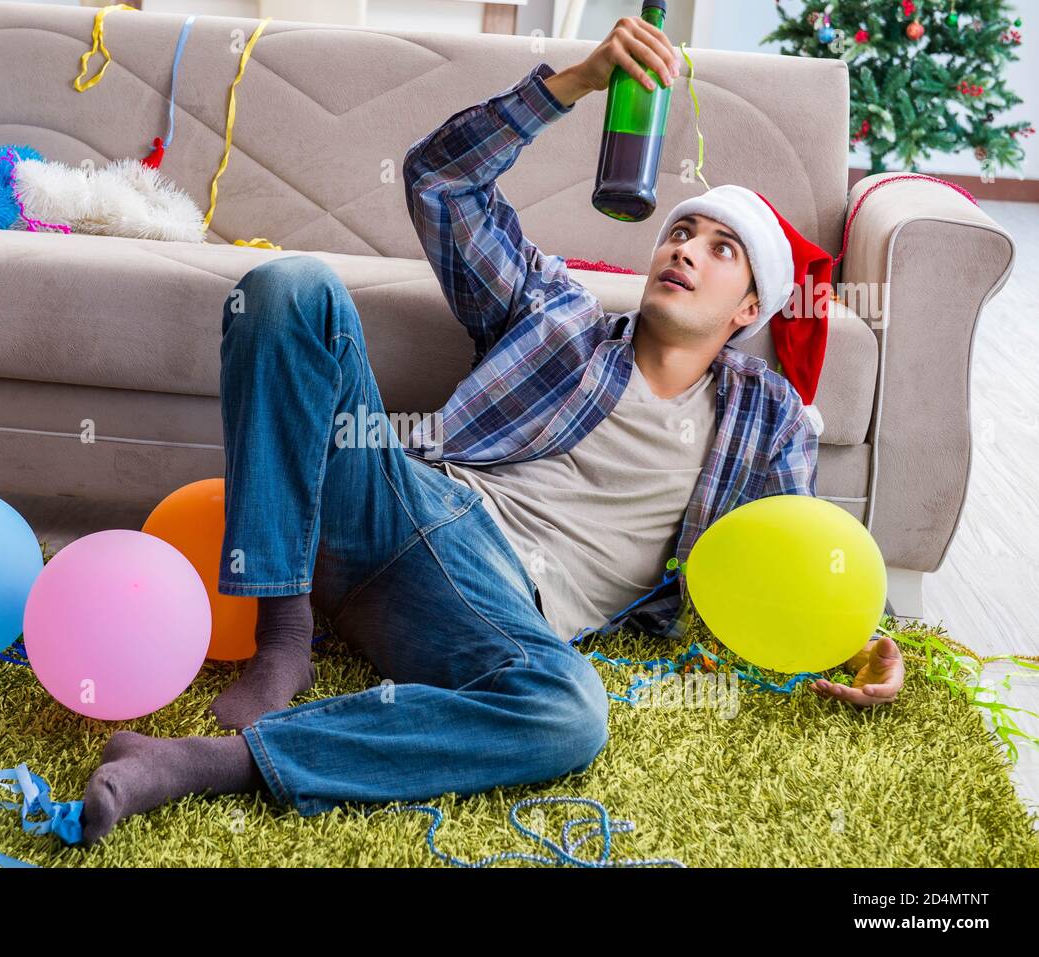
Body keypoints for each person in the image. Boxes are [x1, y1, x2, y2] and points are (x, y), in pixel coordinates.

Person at [78, 16, 904, 847]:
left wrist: (852, 637)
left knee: (570, 710)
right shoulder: (558, 315)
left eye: (723, 250)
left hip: (491, 613)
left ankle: (205, 764)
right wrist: (571, 85)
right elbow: (440, 181)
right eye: (681, 232)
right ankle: (283, 635)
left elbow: (784, 560)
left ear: (751, 309)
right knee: (288, 287)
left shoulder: (766, 419)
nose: (687, 250)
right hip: (400, 505)